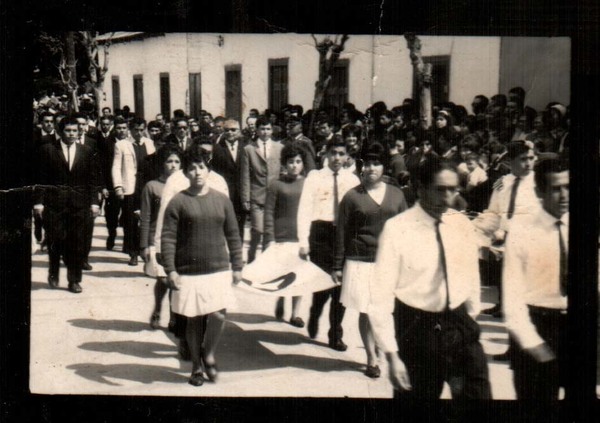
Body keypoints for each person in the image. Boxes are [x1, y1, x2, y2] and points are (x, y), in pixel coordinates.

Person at [369, 156, 491, 400]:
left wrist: (469, 315)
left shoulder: (461, 224)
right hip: (417, 331)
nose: (447, 197)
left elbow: (471, 275)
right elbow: (380, 296)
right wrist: (392, 355)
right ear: (420, 188)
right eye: (439, 190)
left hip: (459, 326)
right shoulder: (397, 228)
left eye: (453, 190)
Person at [161, 148, 243, 387]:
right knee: (194, 320)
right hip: (189, 270)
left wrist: (237, 265)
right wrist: (170, 269)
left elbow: (233, 234)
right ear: (185, 173)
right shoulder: (178, 202)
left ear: (208, 170)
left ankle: (209, 353)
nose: (197, 172)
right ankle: (196, 366)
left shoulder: (222, 200)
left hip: (218, 267)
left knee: (218, 314)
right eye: (191, 168)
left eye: (201, 167)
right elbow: (168, 238)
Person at [333, 143, 408, 378]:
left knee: (385, 310)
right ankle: (371, 359)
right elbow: (342, 232)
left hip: (389, 262)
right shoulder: (352, 197)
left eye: (376, 163)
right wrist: (337, 265)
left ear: (384, 167)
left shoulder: (396, 194)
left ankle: (383, 346)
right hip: (360, 261)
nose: (371, 168)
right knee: (366, 310)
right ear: (360, 167)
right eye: (367, 163)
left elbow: (406, 229)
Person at [503, 158, 569, 405]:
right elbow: (512, 300)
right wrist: (534, 345)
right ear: (540, 192)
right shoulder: (522, 232)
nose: (564, 195)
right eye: (556, 189)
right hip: (536, 326)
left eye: (568, 187)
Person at [297, 138, 360, 351]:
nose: (337, 158)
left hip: (342, 235)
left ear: (347, 156)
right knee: (322, 284)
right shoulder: (315, 177)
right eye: (333, 153)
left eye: (341, 154)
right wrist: (303, 241)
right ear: (326, 154)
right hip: (320, 233)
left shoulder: (352, 180)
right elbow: (304, 209)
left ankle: (335, 334)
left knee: (341, 288)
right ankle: (315, 312)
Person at [33, 116, 101, 294]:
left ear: (79, 132)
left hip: (79, 205)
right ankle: (54, 270)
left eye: (74, 131)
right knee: (56, 239)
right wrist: (39, 202)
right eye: (68, 131)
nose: (71, 134)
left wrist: (94, 202)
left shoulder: (86, 151)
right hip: (54, 204)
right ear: (60, 131)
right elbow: (40, 178)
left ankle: (74, 280)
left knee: (77, 242)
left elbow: (93, 180)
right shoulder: (47, 150)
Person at [263, 144, 308, 328]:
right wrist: (269, 238)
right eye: (290, 162)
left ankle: (296, 314)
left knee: (300, 276)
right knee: (283, 273)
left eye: (298, 161)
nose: (294, 165)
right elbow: (269, 212)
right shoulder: (276, 184)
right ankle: (281, 299)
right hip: (281, 237)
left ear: (303, 164)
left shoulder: (308, 184)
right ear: (284, 163)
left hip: (301, 237)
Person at [139, 145, 183, 330]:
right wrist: (144, 245)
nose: (173, 165)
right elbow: (146, 217)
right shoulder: (152, 186)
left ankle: (174, 316)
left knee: (175, 279)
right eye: (169, 161)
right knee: (163, 279)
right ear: (162, 164)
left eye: (177, 162)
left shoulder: (184, 186)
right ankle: (158, 309)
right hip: (156, 239)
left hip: (177, 239)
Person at [112, 117, 156, 266]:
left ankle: (145, 250)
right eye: (136, 130)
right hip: (130, 187)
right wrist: (118, 186)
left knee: (146, 220)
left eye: (141, 130)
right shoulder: (122, 145)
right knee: (130, 221)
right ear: (130, 130)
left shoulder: (149, 143)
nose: (139, 133)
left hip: (146, 185)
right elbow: (116, 167)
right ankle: (133, 253)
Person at [240, 117, 284, 263]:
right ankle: (251, 258)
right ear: (257, 130)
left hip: (274, 197)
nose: (265, 132)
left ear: (272, 130)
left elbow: (282, 172)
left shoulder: (279, 148)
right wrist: (246, 198)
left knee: (269, 233)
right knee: (258, 230)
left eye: (268, 129)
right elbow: (245, 175)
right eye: (262, 129)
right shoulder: (249, 149)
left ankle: (265, 263)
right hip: (256, 196)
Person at [211, 118, 247, 241]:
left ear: (239, 131)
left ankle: (238, 247)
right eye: (227, 130)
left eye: (233, 130)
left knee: (240, 221)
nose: (230, 132)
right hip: (224, 191)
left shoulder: (245, 147)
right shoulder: (216, 148)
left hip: (241, 192)